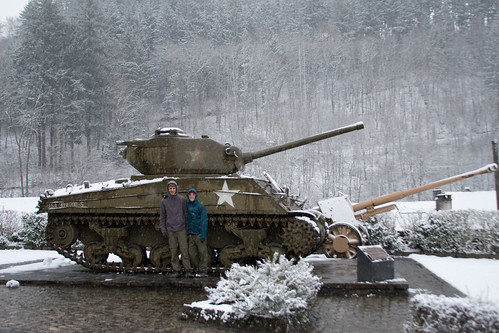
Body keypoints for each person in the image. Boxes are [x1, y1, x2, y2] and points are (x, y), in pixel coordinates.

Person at [160, 180, 193, 277]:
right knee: (173, 251)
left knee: (184, 250)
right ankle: (176, 269)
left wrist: (186, 227)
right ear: (168, 189)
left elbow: (185, 214)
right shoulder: (164, 201)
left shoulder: (182, 200)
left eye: (173, 188)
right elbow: (162, 216)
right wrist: (164, 229)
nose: (172, 190)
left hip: (181, 228)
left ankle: (188, 270)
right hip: (171, 229)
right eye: (170, 188)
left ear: (176, 189)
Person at [186, 188, 210, 277]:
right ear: (188, 196)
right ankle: (197, 267)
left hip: (199, 233)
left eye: (193, 195)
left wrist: (203, 234)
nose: (191, 196)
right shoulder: (187, 205)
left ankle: (203, 270)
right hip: (191, 234)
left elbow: (204, 220)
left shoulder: (200, 206)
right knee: (192, 253)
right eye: (190, 195)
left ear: (195, 196)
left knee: (202, 253)